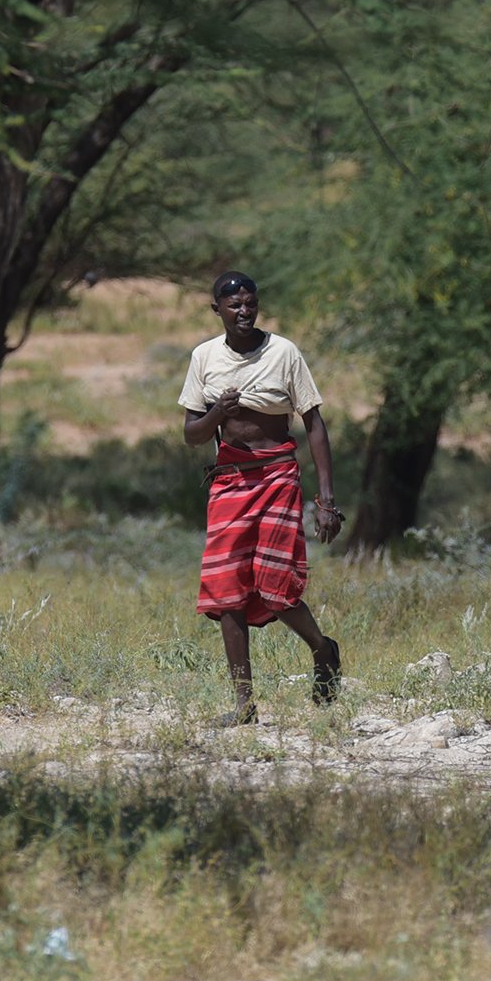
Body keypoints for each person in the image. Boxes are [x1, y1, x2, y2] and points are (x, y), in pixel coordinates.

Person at [179, 270, 342, 724]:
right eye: (234, 305)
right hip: (228, 482)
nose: (244, 312)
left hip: (276, 477)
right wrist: (217, 412)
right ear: (218, 310)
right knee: (226, 591)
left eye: (250, 303)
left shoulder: (284, 352)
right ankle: (244, 705)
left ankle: (322, 649)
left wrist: (326, 501)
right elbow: (192, 435)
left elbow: (314, 423)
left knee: (276, 586)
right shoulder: (204, 357)